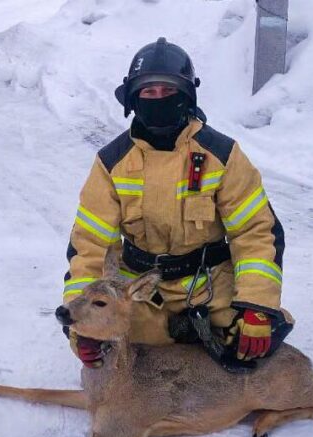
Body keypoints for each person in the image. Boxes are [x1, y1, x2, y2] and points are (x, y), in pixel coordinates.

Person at [63, 38, 291, 371]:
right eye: (148, 92)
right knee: (114, 353)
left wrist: (258, 307)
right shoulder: (111, 162)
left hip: (210, 284)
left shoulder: (222, 155)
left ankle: (230, 327)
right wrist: (82, 328)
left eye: (169, 92)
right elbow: (89, 247)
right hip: (141, 291)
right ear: (132, 99)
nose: (159, 100)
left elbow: (255, 232)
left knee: (252, 338)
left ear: (186, 96)